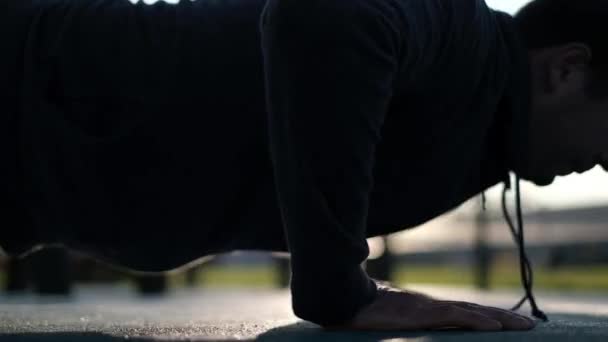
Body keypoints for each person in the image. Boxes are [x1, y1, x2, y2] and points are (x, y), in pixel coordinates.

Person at [1, 0, 607, 332]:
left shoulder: (484, 124)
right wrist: (340, 289)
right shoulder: (462, 30)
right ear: (567, 71)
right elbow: (324, 14)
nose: (605, 163)